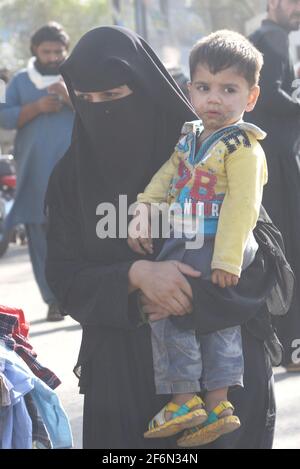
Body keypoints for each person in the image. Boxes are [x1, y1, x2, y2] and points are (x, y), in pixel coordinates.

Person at [45, 26, 285, 449]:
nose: (100, 111)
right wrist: (136, 278)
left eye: (114, 96)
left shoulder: (203, 150)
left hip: (223, 389)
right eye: (86, 101)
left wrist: (194, 289)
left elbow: (263, 260)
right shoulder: (72, 177)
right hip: (123, 383)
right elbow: (64, 278)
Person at [127, 30, 267, 447]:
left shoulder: (244, 147)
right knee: (171, 316)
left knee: (214, 321)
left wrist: (227, 259)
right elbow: (167, 177)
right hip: (181, 241)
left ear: (251, 97)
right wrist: (144, 207)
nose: (214, 99)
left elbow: (244, 207)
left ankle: (218, 400)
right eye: (204, 87)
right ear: (189, 90)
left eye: (229, 89)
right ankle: (188, 399)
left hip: (214, 246)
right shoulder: (190, 136)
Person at [0, 22, 74, 321]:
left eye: (59, 51)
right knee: (40, 237)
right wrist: (37, 107)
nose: (54, 56)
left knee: (77, 235)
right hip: (34, 175)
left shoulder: (77, 76)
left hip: (74, 174)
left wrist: (69, 96)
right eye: (48, 51)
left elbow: (98, 111)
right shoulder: (19, 81)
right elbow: (4, 117)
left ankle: (80, 294)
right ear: (35, 51)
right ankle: (53, 299)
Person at [249, 0, 300, 370]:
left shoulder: (264, 36)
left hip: (270, 156)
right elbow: (270, 94)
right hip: (279, 160)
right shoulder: (274, 37)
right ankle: (291, 344)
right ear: (272, 4)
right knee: (288, 248)